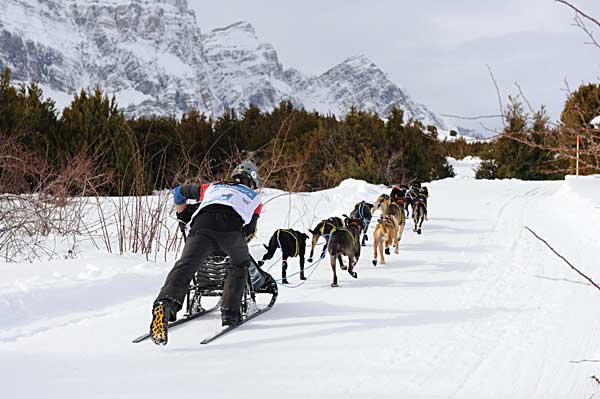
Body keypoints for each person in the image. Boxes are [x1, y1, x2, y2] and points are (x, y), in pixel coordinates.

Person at [150, 160, 262, 345]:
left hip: (201, 227)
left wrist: (182, 216)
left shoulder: (212, 187)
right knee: (239, 264)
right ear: (252, 183)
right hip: (231, 230)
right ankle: (230, 313)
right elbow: (249, 229)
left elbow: (178, 192)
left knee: (186, 265)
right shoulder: (254, 198)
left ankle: (165, 303)